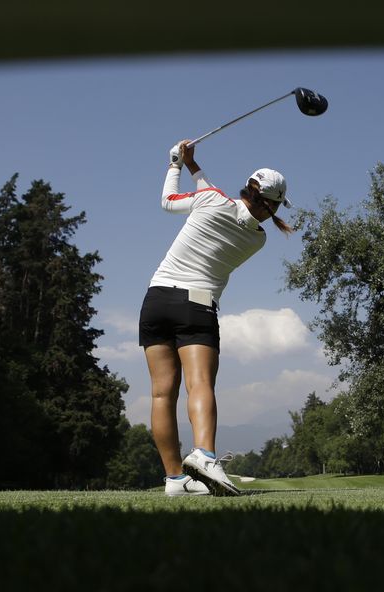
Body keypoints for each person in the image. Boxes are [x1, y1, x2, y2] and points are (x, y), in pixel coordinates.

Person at [139, 139, 292, 496]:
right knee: (200, 385)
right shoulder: (257, 239)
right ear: (272, 206)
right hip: (196, 304)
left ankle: (174, 480)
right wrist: (194, 166)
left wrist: (177, 164)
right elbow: (219, 197)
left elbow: (169, 201)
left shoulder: (212, 199)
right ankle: (204, 456)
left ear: (249, 189)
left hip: (156, 298)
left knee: (162, 396)